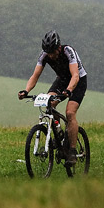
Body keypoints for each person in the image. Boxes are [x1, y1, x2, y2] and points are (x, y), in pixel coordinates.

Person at [18, 30, 87, 167]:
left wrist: (68, 90)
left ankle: (72, 151)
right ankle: (58, 132)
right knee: (48, 102)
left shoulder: (68, 51)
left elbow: (75, 75)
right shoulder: (44, 55)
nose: (51, 55)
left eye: (53, 51)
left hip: (78, 81)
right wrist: (26, 90)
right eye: (48, 52)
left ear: (59, 47)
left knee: (70, 113)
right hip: (61, 80)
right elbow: (35, 76)